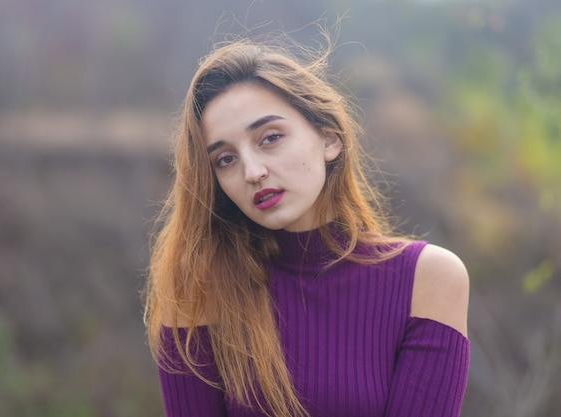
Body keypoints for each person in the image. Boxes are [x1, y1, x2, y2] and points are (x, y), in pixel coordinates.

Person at [143, 32, 470, 417]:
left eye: (270, 137)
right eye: (225, 159)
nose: (252, 171)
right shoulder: (200, 291)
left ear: (329, 139)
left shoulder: (427, 279)